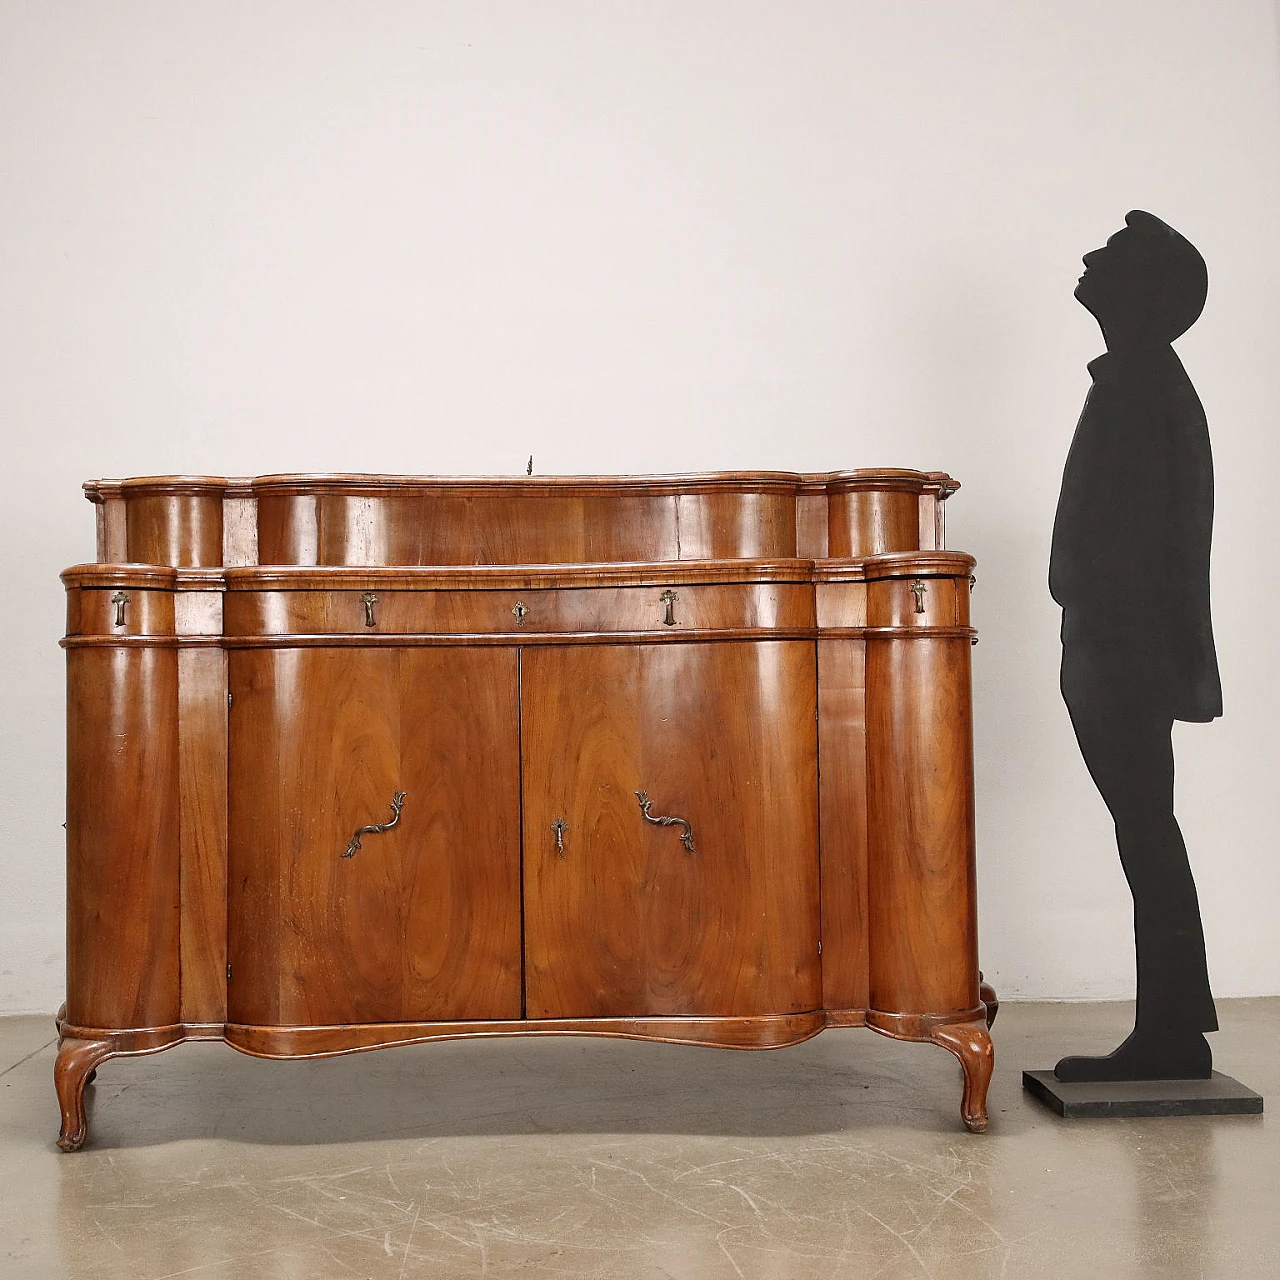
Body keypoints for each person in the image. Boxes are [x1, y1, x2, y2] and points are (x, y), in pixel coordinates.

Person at [1050, 209, 1221, 1082]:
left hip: (1125, 650)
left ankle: (1172, 1030)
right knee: (1146, 828)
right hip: (1119, 644)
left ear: (1146, 294)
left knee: (1145, 827)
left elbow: (1150, 540)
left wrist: (1105, 631)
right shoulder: (1142, 382)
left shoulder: (1145, 388)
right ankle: (1174, 1022)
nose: (1089, 258)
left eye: (1112, 255)